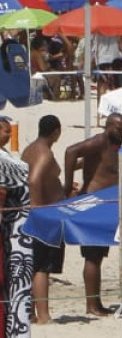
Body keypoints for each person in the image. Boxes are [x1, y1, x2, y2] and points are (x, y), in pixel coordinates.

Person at [64, 113, 122, 317]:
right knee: (92, 256)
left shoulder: (112, 145)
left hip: (104, 206)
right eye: (119, 128)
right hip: (94, 206)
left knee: (98, 256)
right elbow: (71, 151)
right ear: (108, 126)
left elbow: (92, 162)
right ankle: (92, 305)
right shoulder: (101, 140)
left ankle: (96, 303)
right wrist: (67, 185)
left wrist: (81, 166)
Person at [24, 114, 61, 325]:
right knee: (42, 266)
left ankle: (30, 311)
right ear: (56, 132)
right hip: (43, 214)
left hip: (38, 211)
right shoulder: (44, 153)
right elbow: (34, 179)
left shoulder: (30, 149)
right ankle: (44, 315)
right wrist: (38, 210)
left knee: (33, 264)